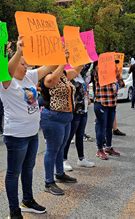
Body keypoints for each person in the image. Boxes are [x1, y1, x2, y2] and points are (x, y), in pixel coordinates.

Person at [0, 37, 56, 219]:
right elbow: (7, 70)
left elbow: (49, 67)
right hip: (16, 135)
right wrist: (19, 51)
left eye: (26, 63)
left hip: (32, 133)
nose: (26, 66)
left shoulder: (29, 77)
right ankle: (14, 211)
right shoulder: (5, 82)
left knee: (28, 168)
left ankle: (28, 200)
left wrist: (62, 53)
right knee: (14, 173)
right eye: (22, 63)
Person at [40, 60, 83, 196]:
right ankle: (49, 182)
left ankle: (59, 173)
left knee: (61, 147)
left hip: (66, 118)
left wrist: (83, 57)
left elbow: (76, 71)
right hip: (53, 117)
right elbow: (52, 80)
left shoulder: (64, 74)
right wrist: (61, 63)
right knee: (52, 150)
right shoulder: (47, 76)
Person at [63, 69, 96, 172]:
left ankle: (81, 158)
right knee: (69, 136)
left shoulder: (80, 77)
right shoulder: (69, 76)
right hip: (74, 111)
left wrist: (88, 99)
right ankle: (63, 160)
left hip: (84, 109)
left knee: (80, 136)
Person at [91, 61, 124, 160]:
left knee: (109, 127)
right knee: (101, 126)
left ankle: (108, 147)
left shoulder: (114, 72)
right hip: (101, 103)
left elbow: (122, 83)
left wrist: (118, 82)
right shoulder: (98, 72)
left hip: (112, 104)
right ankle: (99, 149)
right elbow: (96, 71)